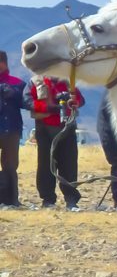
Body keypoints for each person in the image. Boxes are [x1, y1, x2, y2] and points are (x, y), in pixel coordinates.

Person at [23, 76, 85, 210]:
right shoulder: (36, 82)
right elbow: (27, 101)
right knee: (46, 165)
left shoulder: (68, 82)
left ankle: (71, 199)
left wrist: (73, 102)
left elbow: (80, 100)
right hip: (44, 129)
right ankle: (48, 199)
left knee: (69, 165)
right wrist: (49, 107)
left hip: (67, 128)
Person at [0, 51, 25, 207]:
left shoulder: (18, 83)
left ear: (4, 63)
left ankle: (12, 200)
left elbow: (26, 103)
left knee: (10, 166)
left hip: (11, 129)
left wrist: (14, 94)